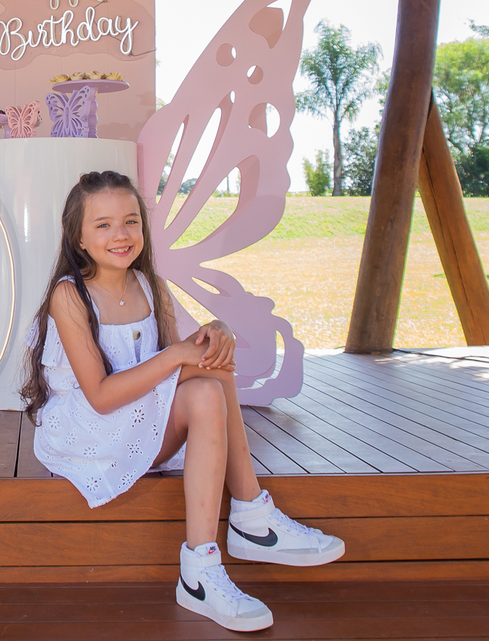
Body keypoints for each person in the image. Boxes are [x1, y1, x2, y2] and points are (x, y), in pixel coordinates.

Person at [22, 170, 344, 633]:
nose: (121, 234)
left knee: (209, 376)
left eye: (131, 221)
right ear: (79, 238)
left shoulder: (150, 285)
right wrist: (180, 354)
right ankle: (249, 519)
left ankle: (205, 566)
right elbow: (101, 397)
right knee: (206, 375)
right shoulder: (69, 295)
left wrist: (216, 332)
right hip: (91, 431)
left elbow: (177, 371)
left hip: (141, 422)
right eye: (103, 225)